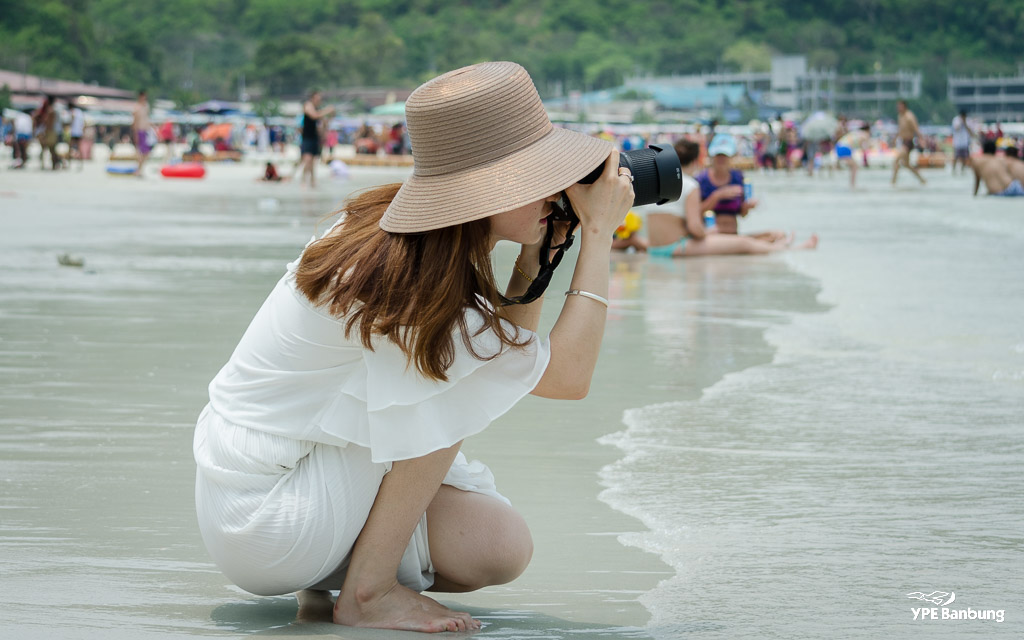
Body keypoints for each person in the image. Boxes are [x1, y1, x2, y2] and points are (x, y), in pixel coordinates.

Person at [192, 61, 634, 633]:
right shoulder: (406, 284)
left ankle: (333, 582)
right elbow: (568, 379)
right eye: (543, 178)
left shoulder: (392, 239)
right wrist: (598, 234)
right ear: (489, 189)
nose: (558, 193)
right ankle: (368, 593)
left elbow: (509, 352)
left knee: (497, 543)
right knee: (445, 390)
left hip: (259, 494)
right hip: (269, 517)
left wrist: (537, 257)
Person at [647, 139, 817, 257]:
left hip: (655, 248)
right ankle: (794, 250)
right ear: (697, 161)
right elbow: (694, 227)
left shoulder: (659, 182)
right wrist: (707, 230)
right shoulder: (692, 184)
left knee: (760, 238)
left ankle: (780, 246)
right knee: (744, 244)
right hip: (676, 247)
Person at [298, 90, 335, 188]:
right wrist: (327, 110)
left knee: (313, 161)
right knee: (308, 159)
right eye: (318, 97)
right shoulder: (308, 105)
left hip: (315, 137)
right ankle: (303, 180)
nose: (320, 100)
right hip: (307, 137)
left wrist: (331, 115)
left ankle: (312, 181)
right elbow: (314, 116)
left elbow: (324, 122)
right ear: (313, 98)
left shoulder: (317, 109)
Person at [891, 100, 926, 186]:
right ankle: (922, 180)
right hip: (903, 142)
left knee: (896, 160)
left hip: (908, 142)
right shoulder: (900, 116)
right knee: (906, 164)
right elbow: (900, 129)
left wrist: (922, 139)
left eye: (899, 106)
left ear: (904, 106)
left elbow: (916, 128)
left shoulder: (909, 116)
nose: (898, 108)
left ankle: (893, 182)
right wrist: (895, 139)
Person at [835, 124, 872, 189]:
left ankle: (852, 184)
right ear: (868, 130)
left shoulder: (855, 132)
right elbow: (863, 145)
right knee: (855, 166)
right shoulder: (864, 134)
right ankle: (853, 185)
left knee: (853, 166)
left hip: (839, 146)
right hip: (845, 147)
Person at [32, 95, 60, 170]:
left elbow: (48, 123)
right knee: (51, 149)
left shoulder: (50, 110)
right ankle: (54, 164)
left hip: (49, 131)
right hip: (52, 131)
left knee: (49, 149)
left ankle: (52, 164)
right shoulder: (54, 110)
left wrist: (44, 132)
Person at [132, 90, 152, 175]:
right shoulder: (137, 107)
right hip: (139, 131)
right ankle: (138, 170)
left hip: (146, 131)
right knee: (141, 152)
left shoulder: (146, 106)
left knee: (146, 152)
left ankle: (139, 169)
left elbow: (147, 119)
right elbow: (135, 121)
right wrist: (135, 133)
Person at [951, 110, 973, 174]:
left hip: (965, 142)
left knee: (964, 157)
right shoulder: (956, 120)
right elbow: (956, 129)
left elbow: (970, 132)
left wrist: (965, 123)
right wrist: (961, 122)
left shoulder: (968, 121)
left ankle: (962, 170)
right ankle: (953, 170)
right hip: (957, 142)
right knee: (955, 157)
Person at [66, 98, 85, 170]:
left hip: (73, 132)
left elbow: (71, 121)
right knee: (79, 149)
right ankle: (80, 164)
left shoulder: (72, 112)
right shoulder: (79, 112)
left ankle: (69, 164)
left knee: (70, 148)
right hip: (79, 132)